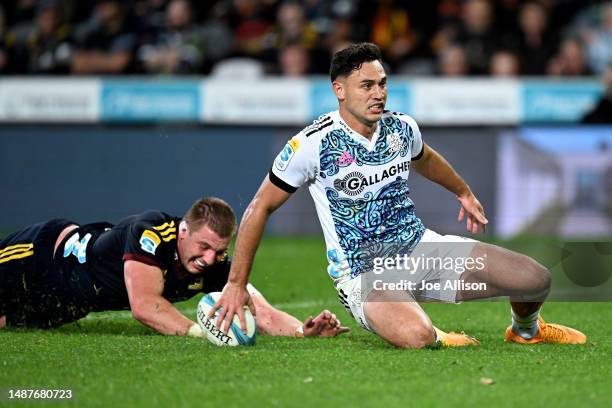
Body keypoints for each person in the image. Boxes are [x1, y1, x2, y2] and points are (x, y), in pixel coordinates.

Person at [211, 42, 587, 348]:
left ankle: (526, 330)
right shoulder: (312, 144)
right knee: (416, 337)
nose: (378, 94)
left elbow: (425, 159)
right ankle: (434, 332)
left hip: (421, 250)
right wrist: (236, 283)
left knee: (534, 278)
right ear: (339, 90)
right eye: (367, 86)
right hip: (364, 274)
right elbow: (260, 206)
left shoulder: (400, 128)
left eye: (383, 83)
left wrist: (462, 191)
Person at [0, 197, 349, 339]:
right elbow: (145, 307)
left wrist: (304, 333)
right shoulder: (150, 232)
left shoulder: (214, 265)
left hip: (67, 302)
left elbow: (262, 312)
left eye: (219, 251)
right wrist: (203, 334)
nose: (210, 259)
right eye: (203, 246)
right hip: (39, 256)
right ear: (184, 230)